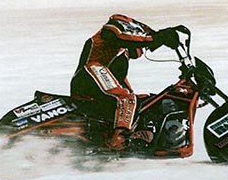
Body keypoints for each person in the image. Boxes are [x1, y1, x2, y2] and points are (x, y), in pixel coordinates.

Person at [70, 14, 179, 150]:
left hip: (98, 82)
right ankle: (118, 138)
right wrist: (156, 38)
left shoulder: (121, 54)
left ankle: (142, 138)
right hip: (89, 76)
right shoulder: (111, 29)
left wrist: (159, 38)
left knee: (143, 101)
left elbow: (124, 86)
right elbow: (119, 35)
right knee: (127, 99)